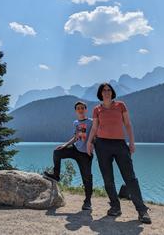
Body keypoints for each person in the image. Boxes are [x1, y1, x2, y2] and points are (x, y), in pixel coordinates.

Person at [87, 83, 152, 224]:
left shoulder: (120, 105)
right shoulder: (97, 109)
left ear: (112, 92)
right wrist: (89, 143)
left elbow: (128, 124)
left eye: (109, 90)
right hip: (102, 145)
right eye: (104, 90)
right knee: (108, 178)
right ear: (100, 93)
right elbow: (94, 127)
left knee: (130, 178)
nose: (106, 92)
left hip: (120, 144)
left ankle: (142, 211)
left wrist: (132, 142)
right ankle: (115, 207)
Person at [43, 101, 93, 210]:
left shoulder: (91, 122)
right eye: (78, 108)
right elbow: (76, 137)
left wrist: (92, 146)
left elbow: (95, 136)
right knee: (57, 152)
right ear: (76, 111)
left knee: (87, 178)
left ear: (86, 109)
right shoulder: (76, 122)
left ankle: (88, 201)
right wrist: (65, 145)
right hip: (75, 149)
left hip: (86, 153)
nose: (80, 110)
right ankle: (56, 175)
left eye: (82, 108)